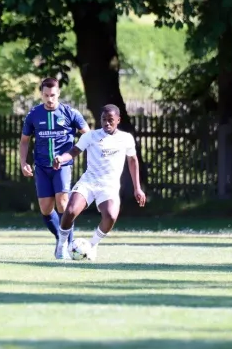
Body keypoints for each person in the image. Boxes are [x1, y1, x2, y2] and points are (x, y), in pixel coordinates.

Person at [52, 104, 146, 260]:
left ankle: (92, 245)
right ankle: (61, 245)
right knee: (70, 211)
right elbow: (74, 151)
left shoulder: (126, 138)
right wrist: (61, 158)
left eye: (110, 120)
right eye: (104, 120)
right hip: (89, 181)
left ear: (118, 120)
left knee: (110, 216)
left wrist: (137, 188)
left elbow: (133, 161)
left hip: (109, 185)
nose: (107, 123)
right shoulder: (91, 136)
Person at [19, 77, 89, 258]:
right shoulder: (33, 114)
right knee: (45, 208)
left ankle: (67, 245)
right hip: (41, 166)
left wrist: (70, 154)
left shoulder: (70, 113)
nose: (49, 99)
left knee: (63, 202)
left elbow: (87, 136)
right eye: (46, 95)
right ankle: (61, 238)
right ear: (41, 95)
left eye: (53, 95)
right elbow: (24, 141)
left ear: (58, 94)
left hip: (63, 166)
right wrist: (23, 162)